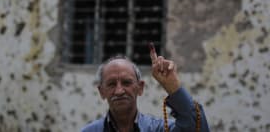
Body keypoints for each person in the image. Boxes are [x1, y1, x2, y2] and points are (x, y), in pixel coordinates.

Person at [81, 43, 210, 132]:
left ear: (140, 88)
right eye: (111, 84)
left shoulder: (160, 129)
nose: (119, 91)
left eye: (126, 83)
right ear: (102, 92)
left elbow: (198, 128)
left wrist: (173, 87)